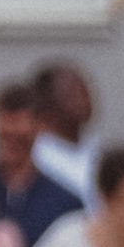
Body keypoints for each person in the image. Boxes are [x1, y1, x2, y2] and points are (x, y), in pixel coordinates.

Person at [0, 80, 83, 247]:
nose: (11, 140)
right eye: (4, 134)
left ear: (40, 126)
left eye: (19, 136)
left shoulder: (65, 203)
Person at [29, 59, 102, 213]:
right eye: (74, 91)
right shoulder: (38, 157)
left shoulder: (95, 150)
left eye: (86, 89)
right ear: (47, 101)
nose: (86, 98)